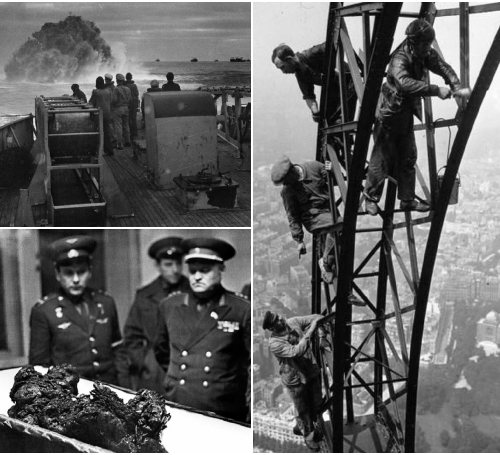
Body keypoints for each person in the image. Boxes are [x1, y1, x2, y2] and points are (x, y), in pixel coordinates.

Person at [362, 19, 465, 215]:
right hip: (390, 116)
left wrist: (456, 86)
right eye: (425, 44)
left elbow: (443, 67)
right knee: (381, 160)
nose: (428, 49)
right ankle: (370, 198)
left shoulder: (422, 52)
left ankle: (407, 200)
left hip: (405, 114)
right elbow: (404, 84)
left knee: (408, 156)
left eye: (429, 44)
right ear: (413, 42)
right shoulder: (400, 59)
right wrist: (436, 90)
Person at [154, 237, 251, 421]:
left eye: (205, 270)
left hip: (223, 409)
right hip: (178, 404)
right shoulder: (169, 306)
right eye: (192, 271)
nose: (197, 276)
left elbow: (248, 365)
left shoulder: (241, 310)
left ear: (221, 268)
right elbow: (161, 351)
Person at [29, 235, 124, 386]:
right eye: (68, 273)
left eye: (81, 272)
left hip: (110, 390)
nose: (75, 279)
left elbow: (118, 350)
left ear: (90, 271)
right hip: (71, 395)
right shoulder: (44, 311)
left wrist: (124, 390)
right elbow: (39, 368)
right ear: (57, 274)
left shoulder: (106, 302)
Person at [271, 156, 364, 306]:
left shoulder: (314, 167)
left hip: (330, 212)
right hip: (313, 219)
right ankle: (326, 262)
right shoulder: (288, 191)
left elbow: (334, 181)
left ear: (293, 170)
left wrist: (332, 171)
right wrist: (299, 240)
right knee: (341, 229)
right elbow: (293, 215)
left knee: (341, 251)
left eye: (286, 180)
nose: (286, 184)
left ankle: (344, 291)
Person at [123, 237, 189, 394]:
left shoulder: (193, 291)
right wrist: (145, 363)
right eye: (168, 264)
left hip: (187, 367)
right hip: (154, 373)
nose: (174, 269)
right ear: (157, 265)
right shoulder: (145, 296)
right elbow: (132, 336)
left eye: (178, 263)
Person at [263, 310, 326, 450]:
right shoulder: (274, 343)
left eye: (279, 317)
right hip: (295, 379)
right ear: (272, 328)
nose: (281, 319)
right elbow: (296, 351)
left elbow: (317, 318)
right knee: (303, 409)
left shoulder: (293, 322)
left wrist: (321, 334)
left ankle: (304, 426)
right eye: (277, 321)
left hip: (310, 370)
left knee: (316, 403)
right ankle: (308, 437)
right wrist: (311, 331)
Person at [271, 42, 357, 127]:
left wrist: (347, 62)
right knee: (331, 123)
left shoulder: (310, 54)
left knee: (339, 122)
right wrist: (315, 112)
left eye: (283, 67)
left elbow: (334, 42)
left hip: (349, 81)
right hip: (335, 90)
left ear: (289, 59)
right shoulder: (300, 76)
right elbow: (309, 97)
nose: (283, 72)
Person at [89, 76, 114, 156]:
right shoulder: (108, 91)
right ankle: (109, 149)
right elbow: (111, 101)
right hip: (107, 113)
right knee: (107, 132)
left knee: (97, 132)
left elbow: (91, 102)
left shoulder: (96, 92)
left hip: (98, 114)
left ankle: (98, 150)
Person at [112, 73, 132, 150]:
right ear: (123, 80)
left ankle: (119, 143)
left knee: (118, 126)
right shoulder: (128, 89)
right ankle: (128, 141)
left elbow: (114, 100)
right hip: (126, 108)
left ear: (117, 80)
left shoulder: (116, 89)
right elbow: (130, 100)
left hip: (118, 108)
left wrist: (113, 106)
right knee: (126, 125)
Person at [125, 72, 140, 138]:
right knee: (133, 118)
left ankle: (128, 133)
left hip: (127, 104)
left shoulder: (125, 86)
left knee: (127, 119)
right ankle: (135, 132)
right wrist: (137, 104)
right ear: (131, 78)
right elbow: (137, 94)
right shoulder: (134, 85)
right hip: (134, 103)